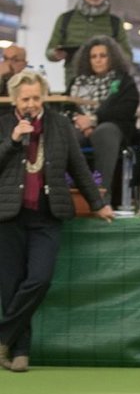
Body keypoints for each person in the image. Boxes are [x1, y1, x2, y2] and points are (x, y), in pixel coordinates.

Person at [0, 70, 114, 372]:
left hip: (47, 215)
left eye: (37, 97)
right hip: (8, 216)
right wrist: (13, 141)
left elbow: (78, 167)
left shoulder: (60, 124)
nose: (31, 104)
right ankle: (19, 350)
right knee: (10, 286)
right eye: (25, 99)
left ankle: (3, 337)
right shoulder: (2, 124)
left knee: (39, 278)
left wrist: (98, 204)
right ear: (14, 99)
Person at [67, 35, 139, 193]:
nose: (98, 60)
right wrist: (83, 124)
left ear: (112, 58)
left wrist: (94, 120)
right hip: (80, 128)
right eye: (93, 56)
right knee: (67, 135)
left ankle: (101, 193)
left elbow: (125, 111)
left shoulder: (124, 81)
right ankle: (70, 191)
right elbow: (67, 108)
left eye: (103, 56)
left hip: (115, 130)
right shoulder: (76, 82)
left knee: (104, 131)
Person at [45, 0, 132, 85]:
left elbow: (127, 54)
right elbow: (49, 50)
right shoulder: (66, 19)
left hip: (106, 81)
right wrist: (55, 54)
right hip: (73, 79)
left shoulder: (115, 22)